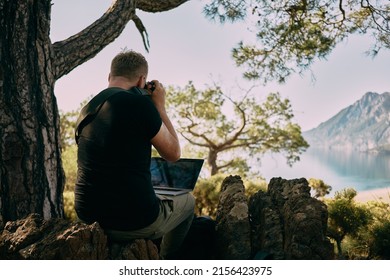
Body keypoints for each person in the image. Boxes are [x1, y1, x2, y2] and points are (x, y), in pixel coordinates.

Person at [74, 50, 195, 259]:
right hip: (133, 222)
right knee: (188, 200)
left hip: (88, 214)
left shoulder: (86, 110)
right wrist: (160, 107)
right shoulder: (141, 106)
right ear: (142, 81)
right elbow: (174, 153)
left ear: (109, 77)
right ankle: (167, 261)